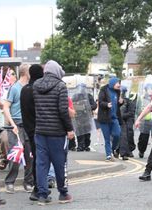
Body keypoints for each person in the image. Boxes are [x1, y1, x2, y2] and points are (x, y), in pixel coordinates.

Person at [33, 60, 75, 205]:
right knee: (60, 163)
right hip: (57, 133)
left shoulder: (36, 85)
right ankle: (63, 194)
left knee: (41, 164)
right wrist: (69, 129)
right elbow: (63, 110)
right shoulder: (60, 86)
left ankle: (42, 195)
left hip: (40, 132)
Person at [2, 64, 34, 194]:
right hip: (16, 125)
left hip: (28, 125)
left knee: (29, 155)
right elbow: (5, 107)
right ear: (26, 73)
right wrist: (12, 124)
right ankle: (9, 182)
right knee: (15, 155)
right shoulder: (15, 88)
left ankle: (28, 182)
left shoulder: (31, 88)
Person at [20, 64, 44, 201]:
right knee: (42, 159)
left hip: (29, 128)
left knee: (35, 158)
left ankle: (37, 185)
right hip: (42, 128)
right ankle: (40, 187)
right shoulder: (38, 89)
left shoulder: (24, 90)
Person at [97, 77, 123, 161]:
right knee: (107, 138)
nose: (119, 85)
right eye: (117, 83)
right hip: (104, 118)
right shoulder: (104, 90)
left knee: (117, 135)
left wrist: (121, 103)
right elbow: (100, 102)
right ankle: (108, 155)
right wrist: (106, 104)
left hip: (114, 117)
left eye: (119, 83)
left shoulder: (118, 92)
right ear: (112, 83)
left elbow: (117, 105)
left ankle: (112, 149)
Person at [71, 83, 97, 152]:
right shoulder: (75, 96)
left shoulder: (89, 96)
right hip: (78, 117)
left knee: (87, 133)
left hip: (87, 117)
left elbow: (94, 105)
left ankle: (86, 145)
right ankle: (80, 146)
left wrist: (87, 108)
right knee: (79, 132)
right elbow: (72, 105)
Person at [136, 83, 152, 158]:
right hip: (144, 121)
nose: (150, 91)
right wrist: (138, 119)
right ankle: (141, 151)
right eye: (149, 89)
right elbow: (138, 109)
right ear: (146, 90)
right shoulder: (141, 98)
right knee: (143, 139)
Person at [119, 87, 137, 160]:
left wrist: (122, 116)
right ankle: (118, 150)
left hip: (128, 119)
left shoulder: (129, 101)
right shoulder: (116, 100)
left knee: (129, 134)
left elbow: (131, 112)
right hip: (120, 120)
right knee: (119, 136)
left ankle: (129, 150)